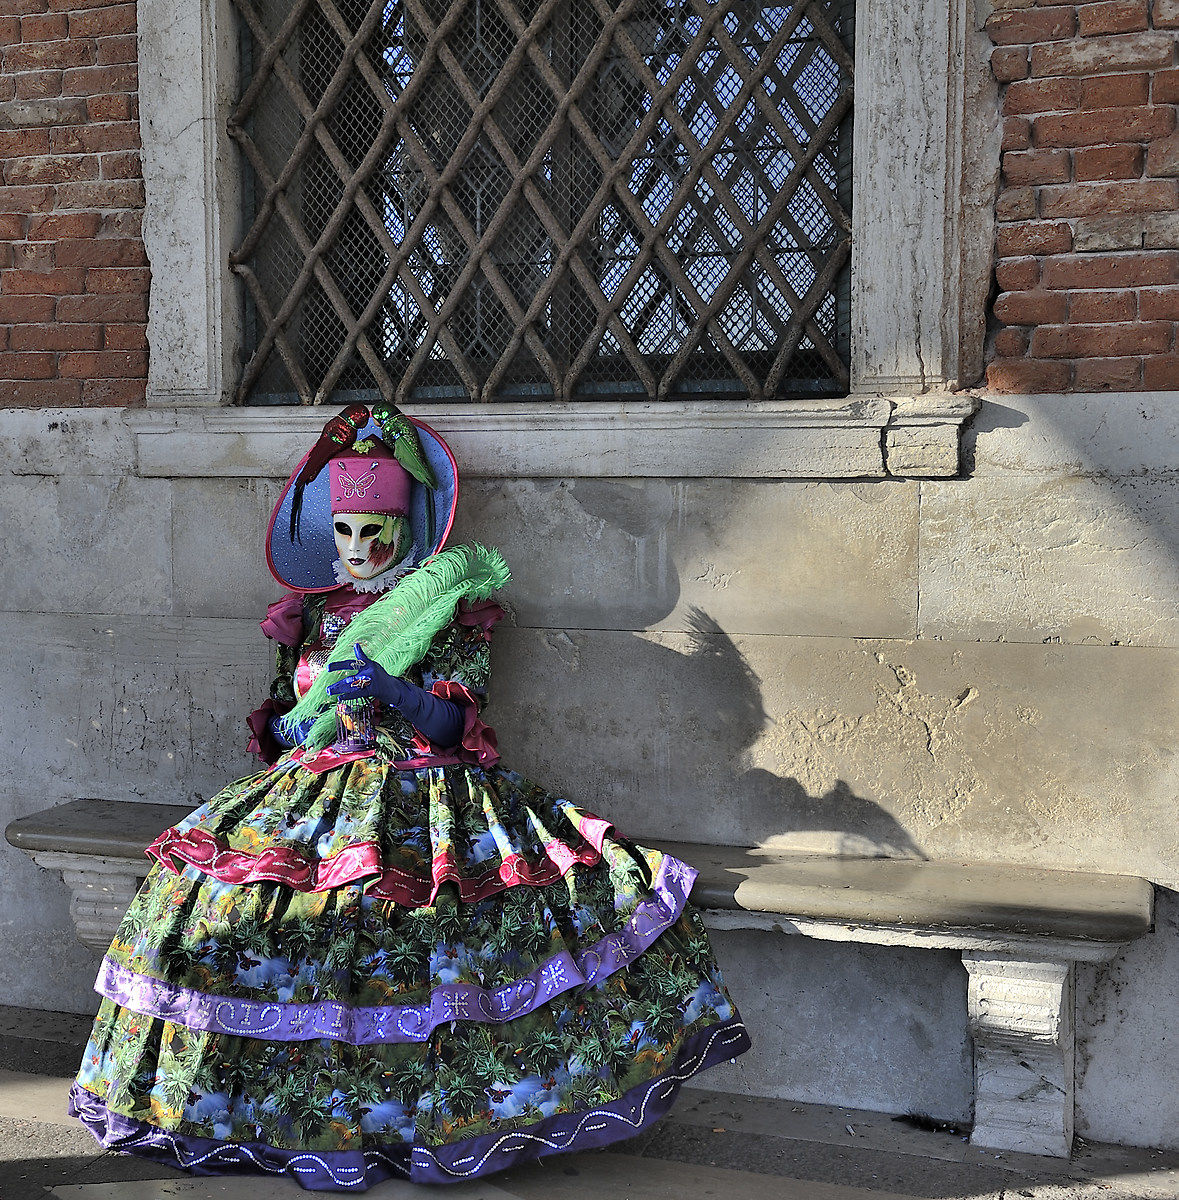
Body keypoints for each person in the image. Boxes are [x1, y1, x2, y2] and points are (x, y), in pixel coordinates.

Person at [69, 403, 751, 1190]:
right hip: (311, 790)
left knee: (416, 919)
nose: (358, 549)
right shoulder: (313, 615)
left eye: (375, 532)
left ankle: (422, 1117)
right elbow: (281, 729)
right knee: (215, 901)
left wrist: (394, 689)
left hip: (423, 785)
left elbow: (458, 721)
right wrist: (297, 712)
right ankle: (242, 1108)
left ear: (407, 531)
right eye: (346, 532)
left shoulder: (449, 611)